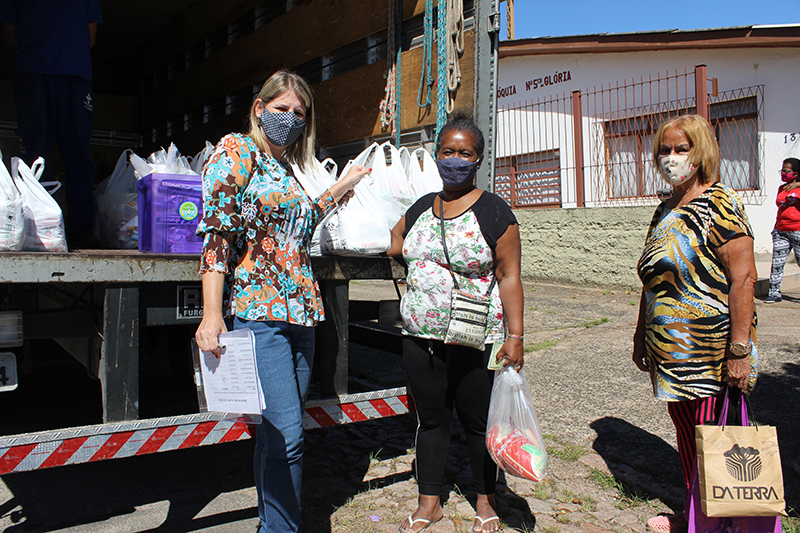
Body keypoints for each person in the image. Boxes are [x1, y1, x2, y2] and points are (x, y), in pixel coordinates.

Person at [194, 70, 370, 533]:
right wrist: (213, 314)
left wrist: (339, 189)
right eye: (281, 110)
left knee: (277, 438)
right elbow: (217, 233)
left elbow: (298, 227)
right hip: (261, 316)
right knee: (288, 436)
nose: (290, 120)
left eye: (299, 114)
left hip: (302, 316)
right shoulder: (238, 151)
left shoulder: (284, 169)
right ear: (259, 107)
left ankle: (271, 526)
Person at [386, 112, 524, 533]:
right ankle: (430, 503)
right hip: (420, 337)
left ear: (478, 159)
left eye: (465, 153)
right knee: (430, 420)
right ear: (436, 155)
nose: (456, 159)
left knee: (477, 421)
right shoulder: (421, 207)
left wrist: (515, 336)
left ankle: (486, 500)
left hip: (474, 337)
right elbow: (394, 242)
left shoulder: (495, 211)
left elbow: (510, 275)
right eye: (448, 151)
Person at [632, 115, 758, 533]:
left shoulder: (720, 203)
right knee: (689, 437)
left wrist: (739, 352)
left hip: (710, 351)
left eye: (681, 149)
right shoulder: (665, 209)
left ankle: (724, 522)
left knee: (716, 439)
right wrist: (640, 336)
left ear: (700, 153)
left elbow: (744, 279)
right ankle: (696, 514)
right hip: (670, 352)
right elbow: (652, 278)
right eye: (664, 151)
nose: (671, 158)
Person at [0, 0, 102, 249]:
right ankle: (38, 229)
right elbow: (9, 31)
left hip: (74, 76)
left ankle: (80, 229)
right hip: (33, 73)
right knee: (34, 155)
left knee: (78, 153)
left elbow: (90, 37)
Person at [764, 157, 800, 303]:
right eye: (782, 170)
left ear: (796, 173)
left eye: (787, 171)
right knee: (777, 263)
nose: (783, 173)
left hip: (797, 230)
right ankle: (774, 293)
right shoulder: (782, 188)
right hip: (781, 231)